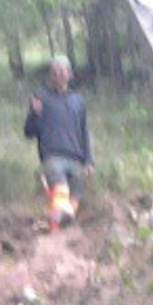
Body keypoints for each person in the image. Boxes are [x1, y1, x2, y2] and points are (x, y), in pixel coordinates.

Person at [24, 55, 93, 229]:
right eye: (55, 72)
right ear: (50, 76)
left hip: (76, 159)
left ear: (70, 75)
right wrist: (34, 113)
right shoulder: (41, 98)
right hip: (52, 157)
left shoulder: (78, 101)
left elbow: (84, 132)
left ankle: (56, 231)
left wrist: (89, 161)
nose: (59, 75)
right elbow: (29, 132)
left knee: (72, 202)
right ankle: (55, 232)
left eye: (63, 71)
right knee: (61, 193)